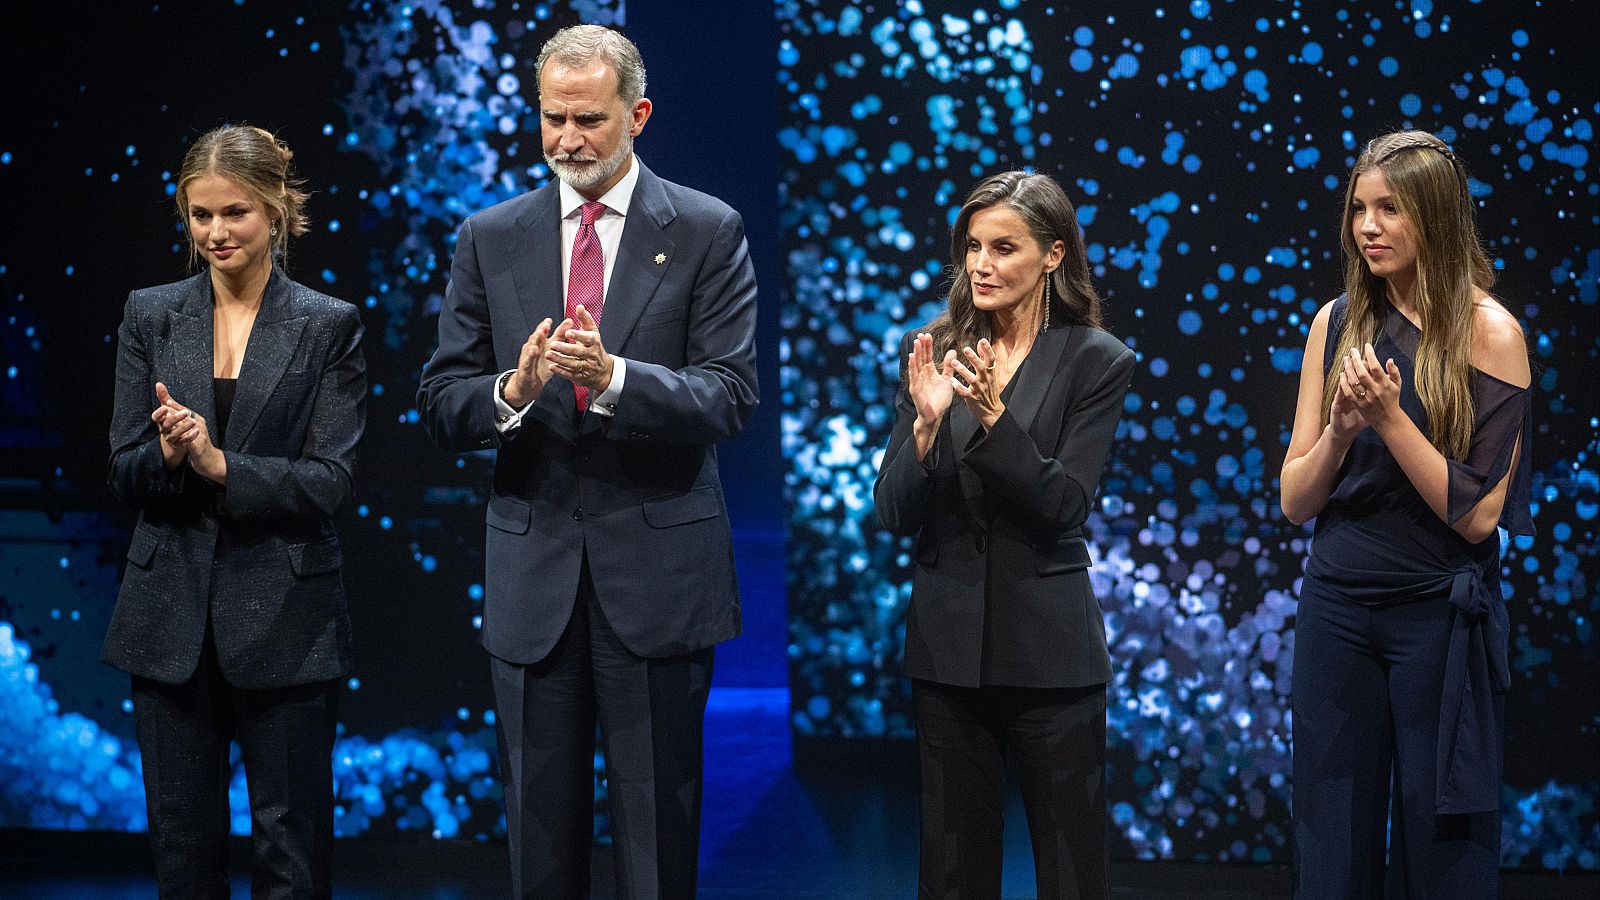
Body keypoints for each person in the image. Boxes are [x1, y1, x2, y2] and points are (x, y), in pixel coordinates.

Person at [416, 24, 758, 900]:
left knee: (656, 839)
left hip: (658, 577)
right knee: (539, 839)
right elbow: (442, 401)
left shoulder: (707, 230)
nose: (567, 139)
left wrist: (615, 380)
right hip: (535, 581)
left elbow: (728, 396)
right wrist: (513, 389)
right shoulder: (491, 236)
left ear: (637, 115)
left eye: (590, 120)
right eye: (552, 118)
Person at [104, 124, 366, 899]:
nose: (215, 233)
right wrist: (171, 457)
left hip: (287, 615)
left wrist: (222, 466)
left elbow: (331, 480)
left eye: (235, 214)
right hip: (168, 617)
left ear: (278, 209)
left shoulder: (328, 324)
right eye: (200, 215)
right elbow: (122, 471)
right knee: (182, 849)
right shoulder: (151, 314)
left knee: (291, 849)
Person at [1281, 130, 1532, 898]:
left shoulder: (1491, 334)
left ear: (1436, 216)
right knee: (1331, 845)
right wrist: (1341, 432)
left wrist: (1392, 421)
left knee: (1443, 849)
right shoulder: (1336, 323)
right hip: (1339, 613)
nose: (1368, 227)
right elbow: (1296, 500)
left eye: (1389, 209)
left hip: (1437, 620)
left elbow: (1479, 517)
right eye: (1359, 209)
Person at [874, 171, 1134, 899]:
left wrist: (993, 419)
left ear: (1053, 256)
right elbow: (891, 513)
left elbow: (1064, 504)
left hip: (1052, 658)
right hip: (948, 653)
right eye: (973, 248)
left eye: (1004, 248)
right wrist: (927, 429)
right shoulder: (934, 347)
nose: (982, 265)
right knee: (953, 871)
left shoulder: (1095, 360)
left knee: (1070, 869)